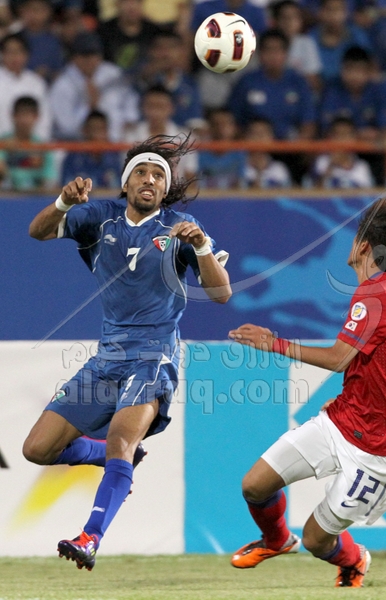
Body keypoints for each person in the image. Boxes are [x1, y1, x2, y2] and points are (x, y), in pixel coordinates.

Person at [22, 134, 232, 570]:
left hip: (154, 356)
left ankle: (90, 537)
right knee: (37, 449)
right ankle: (110, 457)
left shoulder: (180, 227)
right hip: (107, 358)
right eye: (141, 172)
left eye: (159, 175)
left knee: (120, 437)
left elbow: (221, 293)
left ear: (166, 187)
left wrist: (202, 247)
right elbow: (37, 231)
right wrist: (63, 203)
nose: (150, 179)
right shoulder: (99, 218)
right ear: (125, 181)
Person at [228, 196, 386, 588]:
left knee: (317, 540)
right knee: (255, 485)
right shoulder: (380, 291)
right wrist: (358, 397)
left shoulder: (377, 294)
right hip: (345, 420)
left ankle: (354, 560)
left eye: (355, 236)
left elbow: (338, 358)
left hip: (378, 450)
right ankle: (277, 540)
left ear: (364, 247)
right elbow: (378, 364)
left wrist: (273, 343)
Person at [49, 31, 139, 141]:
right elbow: (66, 128)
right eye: (85, 56)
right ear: (74, 57)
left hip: (119, 140)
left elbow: (130, 98)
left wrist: (130, 118)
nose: (90, 60)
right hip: (83, 144)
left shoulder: (112, 73)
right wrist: (89, 107)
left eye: (94, 55)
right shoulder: (62, 85)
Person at [0, 95, 55, 191]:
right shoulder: (3, 143)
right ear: (13, 115)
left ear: (36, 117)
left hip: (35, 196)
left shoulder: (43, 148)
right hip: (6, 195)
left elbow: (49, 180)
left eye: (28, 115)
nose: (24, 121)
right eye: (21, 115)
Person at [60, 110, 122, 188]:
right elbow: (65, 185)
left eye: (101, 129)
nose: (96, 134)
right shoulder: (73, 157)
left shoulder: (114, 156)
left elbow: (120, 186)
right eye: (93, 129)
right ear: (85, 131)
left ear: (107, 131)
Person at [312, 116, 375, 188]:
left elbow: (368, 193)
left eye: (346, 134)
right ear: (331, 136)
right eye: (338, 134)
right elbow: (313, 191)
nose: (342, 139)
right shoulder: (321, 161)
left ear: (354, 137)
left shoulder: (362, 166)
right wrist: (331, 166)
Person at [243, 118, 292, 188]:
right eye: (254, 133)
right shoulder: (236, 166)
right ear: (246, 137)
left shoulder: (279, 169)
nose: (259, 137)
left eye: (263, 133)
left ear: (271, 138)